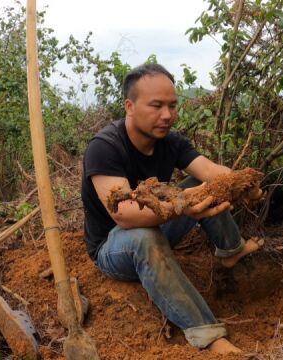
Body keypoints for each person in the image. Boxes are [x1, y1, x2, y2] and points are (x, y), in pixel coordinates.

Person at [81, 63, 263, 354]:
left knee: (205, 186)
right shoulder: (105, 147)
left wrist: (240, 182)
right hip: (114, 246)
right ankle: (207, 333)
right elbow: (124, 214)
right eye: (156, 106)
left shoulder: (170, 141)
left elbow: (209, 171)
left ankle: (232, 250)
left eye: (172, 106)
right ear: (130, 106)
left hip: (156, 223)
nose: (167, 115)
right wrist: (183, 205)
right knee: (145, 236)